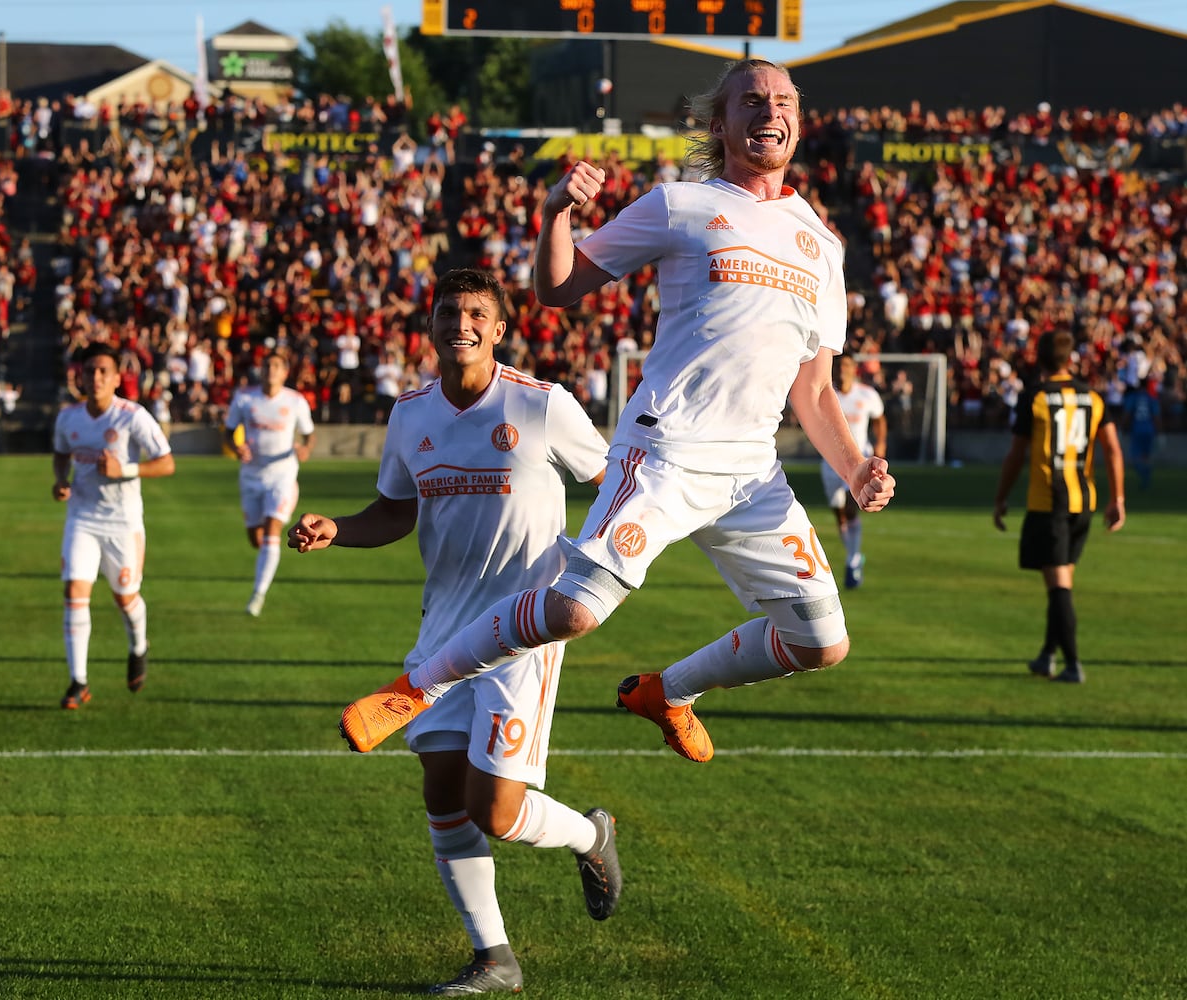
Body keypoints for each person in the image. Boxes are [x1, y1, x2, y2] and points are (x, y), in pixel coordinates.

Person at [337, 59, 895, 764]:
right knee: (573, 611)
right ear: (718, 124)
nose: (769, 112)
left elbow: (813, 390)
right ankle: (416, 689)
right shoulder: (679, 204)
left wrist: (853, 469)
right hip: (666, 451)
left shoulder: (821, 244)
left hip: (754, 472)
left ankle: (669, 693)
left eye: (782, 100)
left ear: (797, 120)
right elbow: (559, 287)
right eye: (750, 100)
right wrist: (556, 215)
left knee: (820, 642)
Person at [288, 268, 619, 995]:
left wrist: (592, 571)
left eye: (477, 314)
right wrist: (335, 529)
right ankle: (493, 957)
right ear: (430, 325)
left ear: (499, 329)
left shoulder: (542, 406)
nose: (460, 324)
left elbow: (616, 481)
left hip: (522, 635)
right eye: (448, 312)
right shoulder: (411, 416)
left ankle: (591, 836)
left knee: (495, 811)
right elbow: (394, 510)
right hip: (443, 630)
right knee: (442, 790)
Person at [992, 329, 1125, 684]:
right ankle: (1047, 656)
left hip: (1048, 502)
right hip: (1084, 502)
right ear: (1071, 359)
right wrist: (1118, 498)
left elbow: (1017, 454)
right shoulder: (1093, 397)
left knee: (1059, 586)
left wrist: (1001, 497)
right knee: (1061, 576)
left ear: (1039, 358)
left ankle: (1073, 663)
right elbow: (1112, 448)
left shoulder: (1035, 397)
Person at [51, 342, 175, 709]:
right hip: (82, 519)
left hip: (123, 524)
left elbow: (167, 462)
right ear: (81, 377)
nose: (97, 377)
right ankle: (79, 681)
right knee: (75, 594)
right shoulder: (68, 418)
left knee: (124, 598)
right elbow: (61, 455)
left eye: (104, 370)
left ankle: (138, 646)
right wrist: (60, 480)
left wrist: (127, 470)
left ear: (117, 377)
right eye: (90, 370)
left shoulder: (132, 416)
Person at [224, 352, 315, 617]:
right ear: (260, 370)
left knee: (272, 528)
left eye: (276, 365)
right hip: (251, 476)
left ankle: (258, 594)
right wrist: (236, 447)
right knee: (257, 538)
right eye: (267, 365)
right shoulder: (244, 398)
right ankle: (266, 560)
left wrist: (306, 449)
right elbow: (229, 433)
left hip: (282, 475)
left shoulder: (295, 401)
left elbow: (309, 435)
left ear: (285, 372)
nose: (271, 369)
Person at [820, 353, 887, 589]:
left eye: (846, 365)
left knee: (851, 507)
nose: (842, 370)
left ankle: (853, 560)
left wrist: (880, 443)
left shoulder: (867, 395)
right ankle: (852, 554)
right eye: (838, 365)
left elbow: (879, 419)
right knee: (839, 512)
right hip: (830, 463)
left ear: (854, 369)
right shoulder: (827, 396)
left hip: (859, 464)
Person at [1121, 378, 1161, 490]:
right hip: (1149, 430)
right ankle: (1146, 478)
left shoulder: (1133, 398)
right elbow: (1156, 417)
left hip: (1137, 430)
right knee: (1146, 457)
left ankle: (1145, 478)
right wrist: (1160, 433)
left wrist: (1123, 429)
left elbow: (1127, 414)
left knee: (1135, 458)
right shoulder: (1151, 398)